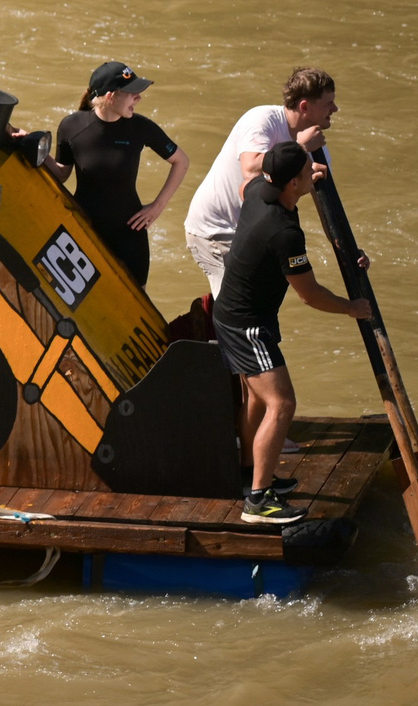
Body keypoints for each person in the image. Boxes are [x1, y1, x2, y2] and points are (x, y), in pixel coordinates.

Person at [212, 141, 371, 524]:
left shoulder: (257, 191)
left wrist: (308, 177)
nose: (313, 173)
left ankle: (250, 474)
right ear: (292, 184)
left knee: (256, 400)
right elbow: (310, 294)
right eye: (306, 172)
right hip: (248, 325)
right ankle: (259, 503)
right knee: (281, 404)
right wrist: (351, 308)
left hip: (231, 314)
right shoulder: (283, 233)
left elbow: (246, 184)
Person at [183, 67, 339, 295]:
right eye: (328, 104)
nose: (335, 109)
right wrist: (300, 148)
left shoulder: (318, 152)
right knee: (236, 305)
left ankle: (203, 321)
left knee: (263, 298)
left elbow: (327, 208)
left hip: (251, 232)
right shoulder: (262, 120)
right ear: (305, 106)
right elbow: (250, 169)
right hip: (215, 228)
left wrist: (346, 250)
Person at [41, 61, 189, 288]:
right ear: (111, 96)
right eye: (132, 94)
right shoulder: (72, 126)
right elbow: (61, 174)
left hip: (129, 235)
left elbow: (181, 161)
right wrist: (36, 149)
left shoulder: (141, 128)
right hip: (84, 232)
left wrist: (157, 206)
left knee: (132, 307)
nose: (138, 98)